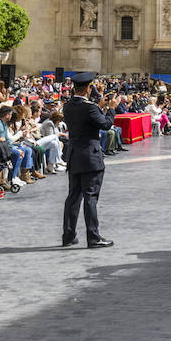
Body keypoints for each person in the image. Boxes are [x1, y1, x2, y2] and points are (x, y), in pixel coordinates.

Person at [62, 72, 113, 249]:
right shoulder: (91, 108)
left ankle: (68, 235)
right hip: (90, 157)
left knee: (73, 197)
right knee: (90, 196)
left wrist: (98, 107)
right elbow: (105, 125)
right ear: (88, 88)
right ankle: (93, 236)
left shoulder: (67, 106)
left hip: (74, 155)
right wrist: (110, 108)